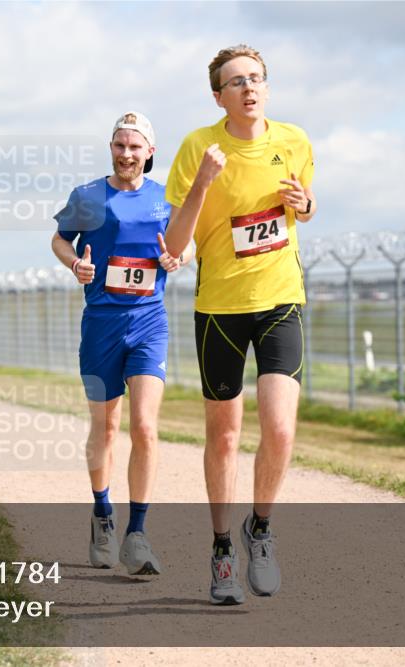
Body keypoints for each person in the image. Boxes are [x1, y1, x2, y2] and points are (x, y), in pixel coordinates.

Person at [163, 44, 317, 605]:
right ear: (218, 97)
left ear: (266, 88)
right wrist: (203, 182)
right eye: (236, 82)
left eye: (256, 78)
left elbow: (304, 209)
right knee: (224, 436)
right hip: (220, 309)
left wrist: (305, 204)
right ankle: (223, 547)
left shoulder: (294, 141)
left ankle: (262, 528)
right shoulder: (197, 148)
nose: (249, 87)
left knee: (279, 428)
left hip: (280, 300)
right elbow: (174, 243)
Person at [51, 112, 186, 576]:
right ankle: (103, 514)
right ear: (111, 148)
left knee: (145, 427)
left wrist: (178, 257)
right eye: (119, 145)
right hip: (101, 326)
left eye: (134, 147)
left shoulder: (167, 197)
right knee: (106, 430)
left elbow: (188, 244)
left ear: (150, 152)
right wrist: (75, 264)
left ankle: (138, 533)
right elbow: (59, 240)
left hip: (149, 323)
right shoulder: (87, 196)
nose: (126, 154)